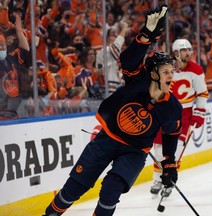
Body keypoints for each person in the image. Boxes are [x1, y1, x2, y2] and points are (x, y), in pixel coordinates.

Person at [43, 5, 183, 216]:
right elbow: (128, 60)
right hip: (107, 139)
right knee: (74, 188)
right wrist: (145, 36)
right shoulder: (138, 81)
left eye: (172, 72)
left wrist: (169, 162)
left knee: (111, 190)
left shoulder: (172, 106)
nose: (171, 76)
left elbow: (171, 133)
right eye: (166, 72)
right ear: (153, 74)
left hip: (134, 151)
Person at [150, 38, 209, 197]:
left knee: (175, 150)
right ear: (176, 53)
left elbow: (202, 93)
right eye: (184, 50)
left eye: (190, 49)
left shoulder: (195, 70)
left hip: (185, 114)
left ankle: (169, 181)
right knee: (159, 149)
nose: (188, 53)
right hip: (164, 113)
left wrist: (200, 113)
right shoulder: (167, 67)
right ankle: (157, 178)